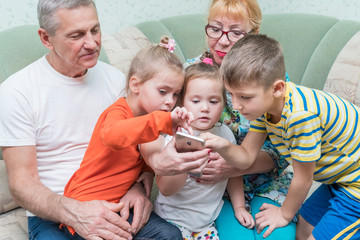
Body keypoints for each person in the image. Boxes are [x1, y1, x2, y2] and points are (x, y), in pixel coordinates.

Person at [0, 1, 183, 239]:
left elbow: (140, 142)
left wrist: (139, 186)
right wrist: (75, 212)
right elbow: (21, 185)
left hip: (116, 199)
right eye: (76, 35)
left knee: (168, 236)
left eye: (95, 30)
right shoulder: (16, 92)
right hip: (55, 214)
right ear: (46, 38)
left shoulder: (116, 80)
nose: (92, 43)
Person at [203, 33, 360, 240]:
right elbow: (246, 157)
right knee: (303, 229)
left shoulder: (300, 117)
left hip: (356, 184)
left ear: (277, 88)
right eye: (231, 94)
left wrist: (284, 214)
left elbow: (303, 179)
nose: (237, 105)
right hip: (340, 178)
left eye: (245, 97)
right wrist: (223, 146)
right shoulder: (265, 108)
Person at [61, 36, 193, 239]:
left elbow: (143, 154)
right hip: (88, 207)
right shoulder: (119, 112)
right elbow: (114, 136)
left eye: (175, 94)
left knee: (170, 235)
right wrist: (162, 121)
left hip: (121, 206)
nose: (170, 101)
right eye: (163, 91)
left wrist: (147, 172)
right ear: (135, 84)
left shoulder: (149, 117)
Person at [184, 0, 295, 239]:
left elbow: (283, 148)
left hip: (268, 182)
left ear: (254, 35)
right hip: (215, 190)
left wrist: (232, 167)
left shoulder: (270, 77)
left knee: (276, 235)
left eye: (235, 32)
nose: (223, 41)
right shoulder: (190, 75)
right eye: (215, 28)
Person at [151, 61, 254, 239]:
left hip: (206, 223)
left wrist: (239, 207)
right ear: (182, 103)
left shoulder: (225, 134)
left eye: (213, 101)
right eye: (196, 101)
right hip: (170, 219)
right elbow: (166, 189)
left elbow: (233, 173)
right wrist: (185, 162)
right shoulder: (173, 137)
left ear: (223, 105)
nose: (205, 108)